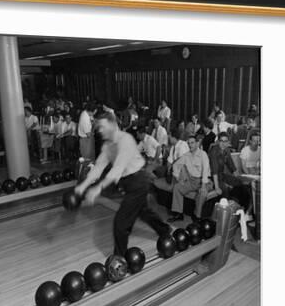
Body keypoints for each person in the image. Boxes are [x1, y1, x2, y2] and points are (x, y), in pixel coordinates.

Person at [74, 111, 171, 258]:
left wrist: (98, 188)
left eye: (102, 127)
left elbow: (118, 168)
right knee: (143, 211)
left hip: (139, 181)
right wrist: (83, 185)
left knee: (120, 223)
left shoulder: (125, 140)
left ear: (113, 125)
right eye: (98, 127)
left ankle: (119, 259)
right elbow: (99, 167)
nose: (99, 130)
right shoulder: (107, 145)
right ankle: (165, 230)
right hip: (129, 183)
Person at [167, 135, 211, 223]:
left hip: (204, 181)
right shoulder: (186, 155)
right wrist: (178, 178)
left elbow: (205, 171)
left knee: (202, 194)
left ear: (197, 143)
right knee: (177, 187)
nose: (190, 145)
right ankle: (179, 214)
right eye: (189, 143)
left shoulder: (203, 154)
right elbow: (176, 165)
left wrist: (203, 186)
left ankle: (197, 216)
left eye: (192, 143)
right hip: (191, 181)